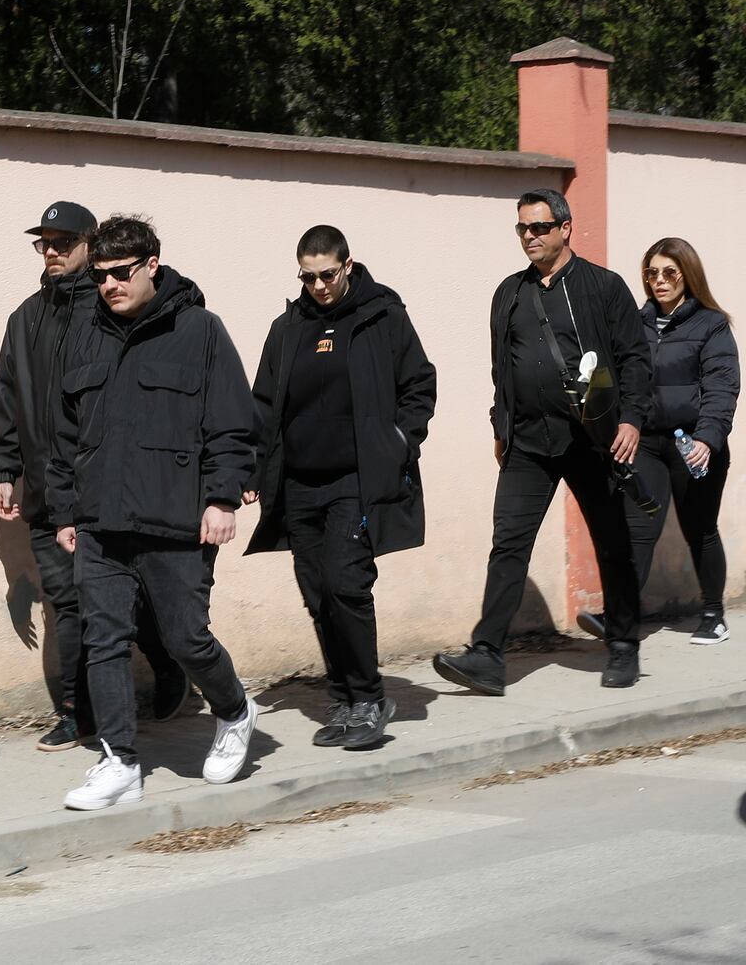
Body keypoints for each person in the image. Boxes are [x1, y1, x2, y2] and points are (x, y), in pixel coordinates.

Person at [47, 215, 260, 810]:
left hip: (177, 522)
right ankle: (119, 761)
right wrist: (65, 509)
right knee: (104, 641)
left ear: (151, 267)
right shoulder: (84, 332)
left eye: (120, 274)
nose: (109, 285)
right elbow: (64, 435)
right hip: (101, 523)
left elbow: (231, 422)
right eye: (101, 276)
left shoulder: (201, 331)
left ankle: (235, 710)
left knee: (186, 639)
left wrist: (221, 497)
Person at [0, 200, 188, 754]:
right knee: (67, 600)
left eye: (62, 241)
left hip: (105, 485)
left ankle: (169, 665)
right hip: (48, 492)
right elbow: (8, 398)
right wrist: (4, 467)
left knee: (126, 594)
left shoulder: (108, 311)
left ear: (89, 243)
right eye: (43, 242)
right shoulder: (25, 317)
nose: (51, 251)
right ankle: (81, 712)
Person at [434, 189, 652, 695]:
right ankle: (487, 654)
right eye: (522, 229)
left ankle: (622, 642)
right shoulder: (509, 292)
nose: (529, 237)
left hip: (592, 439)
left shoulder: (604, 287)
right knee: (508, 542)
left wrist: (631, 421)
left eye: (539, 227)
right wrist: (499, 424)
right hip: (528, 442)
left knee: (611, 540)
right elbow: (500, 368)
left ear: (565, 228)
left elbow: (636, 359)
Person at [243, 226, 436, 750]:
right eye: (308, 277)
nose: (319, 286)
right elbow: (263, 404)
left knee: (345, 584)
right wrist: (254, 471)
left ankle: (370, 698)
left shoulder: (382, 316)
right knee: (317, 593)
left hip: (356, 481)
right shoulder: (288, 328)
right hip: (300, 484)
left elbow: (419, 384)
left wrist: (398, 441)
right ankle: (346, 698)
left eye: (327, 274)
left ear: (348, 265)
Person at [579, 239, 737, 645]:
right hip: (646, 441)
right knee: (636, 530)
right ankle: (619, 616)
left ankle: (713, 614)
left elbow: (722, 386)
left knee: (699, 528)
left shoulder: (711, 324)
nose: (659, 280)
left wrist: (708, 438)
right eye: (651, 272)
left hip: (692, 443)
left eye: (669, 272)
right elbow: (618, 374)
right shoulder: (636, 321)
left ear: (688, 274)